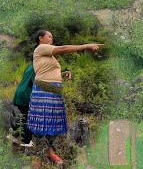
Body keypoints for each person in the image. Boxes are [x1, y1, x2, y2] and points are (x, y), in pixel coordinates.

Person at [27, 30, 103, 164]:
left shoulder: (46, 54)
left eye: (52, 36)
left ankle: (48, 151)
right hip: (44, 91)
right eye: (49, 36)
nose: (51, 38)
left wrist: (62, 74)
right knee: (44, 122)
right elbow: (63, 48)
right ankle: (43, 153)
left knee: (53, 122)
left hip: (53, 91)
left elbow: (45, 71)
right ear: (41, 38)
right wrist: (86, 46)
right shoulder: (40, 48)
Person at [10, 64, 35, 147]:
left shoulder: (31, 67)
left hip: (20, 93)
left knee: (25, 116)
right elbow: (37, 82)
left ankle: (15, 134)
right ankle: (26, 141)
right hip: (25, 94)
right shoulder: (37, 68)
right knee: (29, 117)